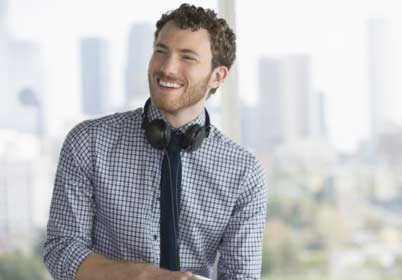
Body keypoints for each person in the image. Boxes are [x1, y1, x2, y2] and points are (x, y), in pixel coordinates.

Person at [43, 4, 267, 280]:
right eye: (161, 51)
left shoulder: (244, 171)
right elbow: (61, 249)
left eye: (187, 57)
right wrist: (143, 277)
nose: (167, 68)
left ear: (217, 76)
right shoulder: (89, 142)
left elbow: (242, 276)